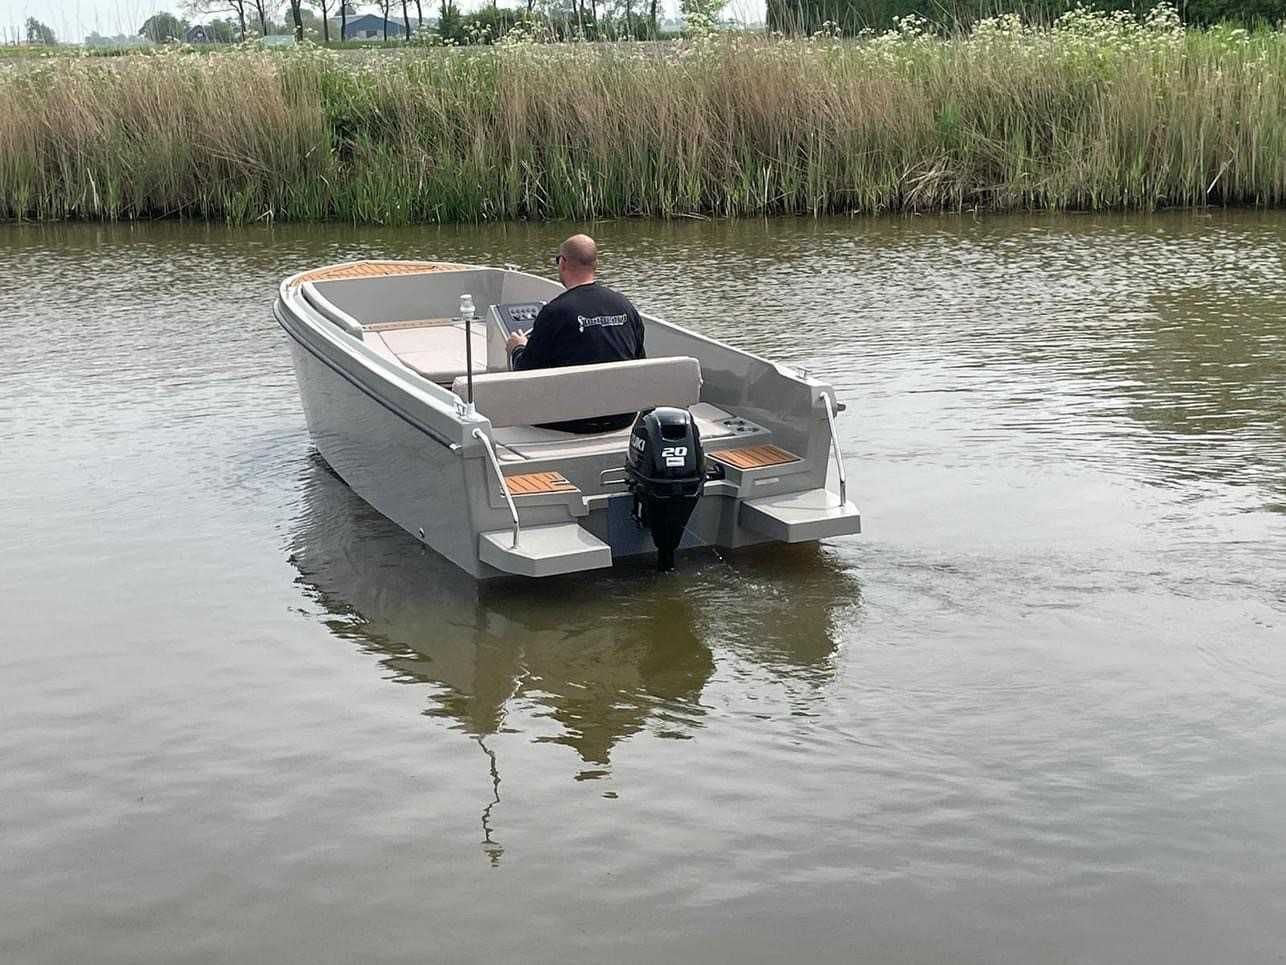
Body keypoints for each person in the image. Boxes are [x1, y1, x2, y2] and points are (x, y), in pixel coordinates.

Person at [506, 234, 646, 434]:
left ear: (563, 262)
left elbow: (526, 372)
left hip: (570, 420)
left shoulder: (554, 312)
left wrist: (517, 347)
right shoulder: (625, 306)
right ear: (595, 264)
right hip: (622, 417)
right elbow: (640, 361)